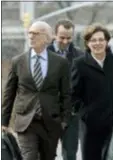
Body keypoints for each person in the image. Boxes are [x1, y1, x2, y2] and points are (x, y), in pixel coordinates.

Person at [1, 21, 71, 160]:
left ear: (46, 38)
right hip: (26, 121)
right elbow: (9, 93)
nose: (31, 36)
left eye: (35, 33)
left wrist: (64, 120)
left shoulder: (60, 63)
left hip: (50, 121)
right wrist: (4, 121)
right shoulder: (18, 61)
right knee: (29, 157)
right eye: (30, 33)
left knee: (48, 157)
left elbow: (66, 94)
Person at [71, 24, 113, 160]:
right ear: (87, 43)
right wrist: (85, 114)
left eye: (101, 39)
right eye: (93, 40)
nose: (97, 43)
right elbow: (73, 95)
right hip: (93, 123)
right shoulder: (80, 64)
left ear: (107, 41)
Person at [47, 19, 83, 160]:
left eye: (69, 38)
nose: (65, 41)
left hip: (71, 114)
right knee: (47, 152)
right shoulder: (43, 53)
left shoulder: (80, 56)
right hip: (48, 113)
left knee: (70, 154)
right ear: (54, 35)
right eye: (62, 37)